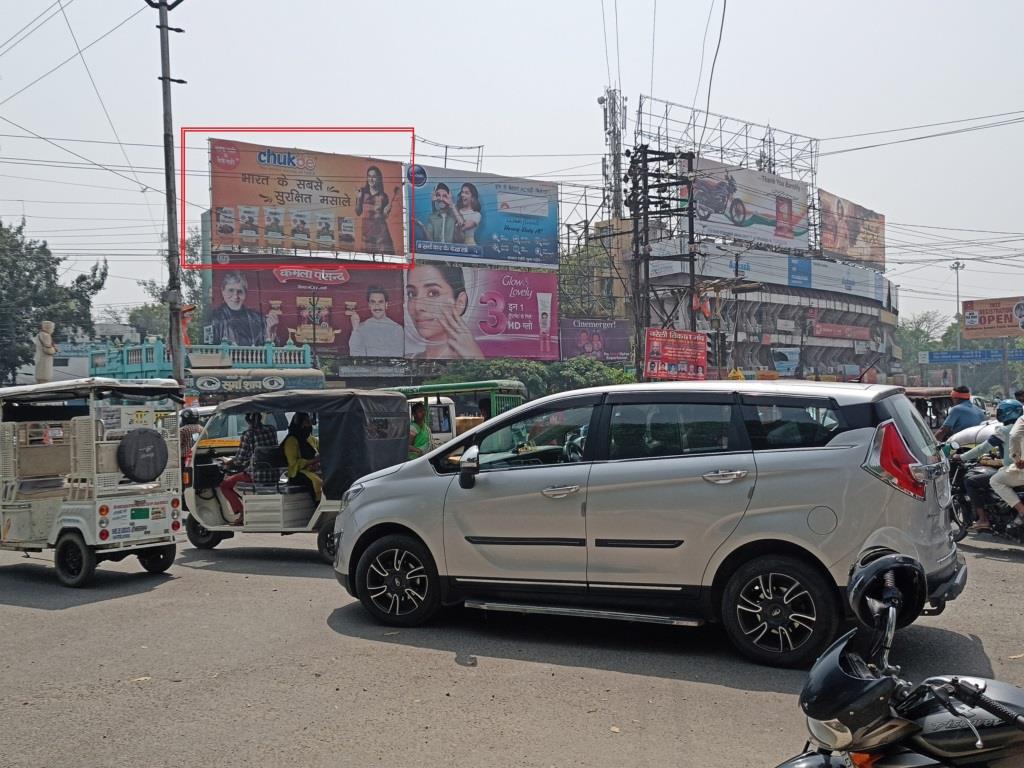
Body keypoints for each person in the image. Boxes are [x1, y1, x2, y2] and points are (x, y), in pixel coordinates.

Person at [953, 399, 1023, 533]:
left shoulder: (1004, 430)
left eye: (1000, 412)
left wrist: (961, 457)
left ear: (1008, 413)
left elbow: (982, 448)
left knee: (977, 481)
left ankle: (983, 519)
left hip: (1017, 471)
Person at [405, 264, 483, 359]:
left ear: (460, 303)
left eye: (433, 293)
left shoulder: (479, 364)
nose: (417, 307)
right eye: (411, 294)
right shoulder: (405, 361)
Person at [219, 412, 280, 525]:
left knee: (225, 485)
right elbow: (263, 450)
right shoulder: (271, 429)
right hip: (274, 473)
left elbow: (240, 459)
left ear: (247, 420)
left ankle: (242, 513)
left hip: (257, 475)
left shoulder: (248, 434)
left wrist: (228, 461)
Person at [211, 272, 278, 346]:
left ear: (245, 294)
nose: (235, 296)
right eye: (231, 290)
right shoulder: (214, 318)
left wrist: (270, 333)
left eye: (240, 292)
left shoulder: (258, 318)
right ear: (223, 291)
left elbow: (270, 351)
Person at [347, 286, 404, 357]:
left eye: (380, 302)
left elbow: (398, 356)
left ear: (386, 304)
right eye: (373, 302)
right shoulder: (360, 328)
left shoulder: (397, 329)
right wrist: (355, 329)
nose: (377, 306)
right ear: (369, 305)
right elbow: (355, 355)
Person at [990, 409, 1024, 531]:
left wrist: (1017, 458)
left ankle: (1021, 510)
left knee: (995, 480)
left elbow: (1014, 436)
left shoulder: (1021, 420)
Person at [355, 165, 395, 254]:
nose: (371, 179)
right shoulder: (362, 193)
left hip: (381, 236)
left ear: (378, 178)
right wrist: (358, 199)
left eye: (374, 177)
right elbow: (358, 212)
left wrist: (386, 212)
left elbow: (383, 217)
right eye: (369, 176)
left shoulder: (383, 196)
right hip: (367, 235)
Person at [282, 412, 321, 501]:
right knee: (318, 482)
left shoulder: (311, 439)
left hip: (313, 469)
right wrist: (312, 461)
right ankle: (318, 504)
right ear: (300, 424)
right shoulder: (291, 441)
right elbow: (293, 463)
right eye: (307, 422)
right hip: (297, 473)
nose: (310, 425)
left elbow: (321, 450)